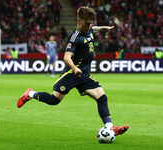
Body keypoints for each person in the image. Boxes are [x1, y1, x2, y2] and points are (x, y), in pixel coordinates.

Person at [17, 6, 129, 136]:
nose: (89, 27)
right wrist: (75, 68)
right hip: (72, 74)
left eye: (90, 24)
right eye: (87, 24)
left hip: (85, 75)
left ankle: (110, 128)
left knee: (102, 97)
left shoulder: (89, 29)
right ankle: (30, 94)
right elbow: (66, 57)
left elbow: (94, 29)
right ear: (79, 20)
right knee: (54, 100)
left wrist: (104, 28)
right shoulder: (74, 37)